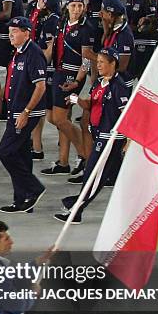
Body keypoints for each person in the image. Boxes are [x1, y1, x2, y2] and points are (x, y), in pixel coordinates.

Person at [54, 47, 130, 224]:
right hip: (99, 135)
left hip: (111, 138)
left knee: (94, 177)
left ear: (113, 64)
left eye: (103, 62)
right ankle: (76, 206)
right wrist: (76, 100)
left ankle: (75, 208)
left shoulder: (119, 87)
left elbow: (127, 114)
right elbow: (90, 105)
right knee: (93, 174)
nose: (99, 65)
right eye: (98, 62)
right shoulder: (98, 83)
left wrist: (128, 140)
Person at [0, 17, 46, 212]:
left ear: (27, 32)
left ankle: (34, 188)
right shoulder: (17, 53)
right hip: (14, 110)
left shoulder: (33, 54)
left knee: (5, 151)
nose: (11, 34)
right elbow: (13, 81)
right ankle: (23, 201)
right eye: (10, 30)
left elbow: (40, 86)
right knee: (21, 153)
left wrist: (26, 112)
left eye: (16, 30)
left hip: (24, 112)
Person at [41, 0, 95, 178]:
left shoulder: (86, 29)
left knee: (59, 119)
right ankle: (63, 161)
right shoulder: (62, 24)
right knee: (59, 119)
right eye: (73, 5)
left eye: (80, 6)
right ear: (67, 6)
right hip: (59, 71)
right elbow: (53, 47)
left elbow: (87, 59)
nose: (77, 9)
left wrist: (78, 81)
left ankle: (86, 155)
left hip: (71, 75)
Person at [31, 0, 62, 160]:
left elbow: (48, 53)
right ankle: (36, 147)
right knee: (45, 113)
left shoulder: (52, 22)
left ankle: (70, 142)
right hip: (48, 71)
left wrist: (32, 57)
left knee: (54, 117)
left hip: (48, 72)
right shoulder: (48, 20)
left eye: (42, 0)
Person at [125, 0, 157, 79]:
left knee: (144, 77)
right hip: (134, 40)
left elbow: (153, 22)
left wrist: (142, 24)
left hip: (146, 43)